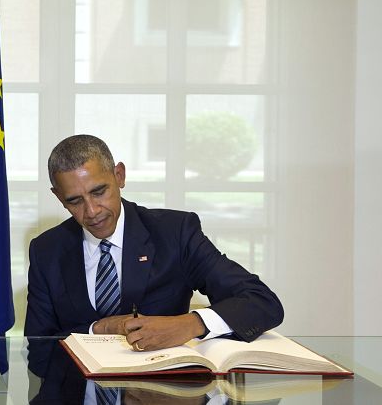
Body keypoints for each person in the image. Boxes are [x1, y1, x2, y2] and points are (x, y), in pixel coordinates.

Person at [25, 134, 283, 351]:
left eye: (99, 191)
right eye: (74, 201)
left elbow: (262, 301)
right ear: (58, 197)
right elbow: (38, 344)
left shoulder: (174, 233)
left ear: (119, 176)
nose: (91, 211)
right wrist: (99, 328)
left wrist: (190, 324)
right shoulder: (46, 250)